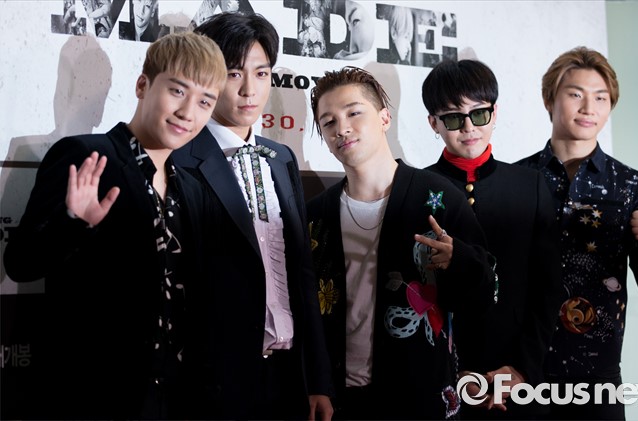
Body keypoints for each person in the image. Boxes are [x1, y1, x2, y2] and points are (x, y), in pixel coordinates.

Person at [3, 32, 227, 419]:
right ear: (142, 85)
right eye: (177, 91)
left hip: (173, 398)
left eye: (205, 101)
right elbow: (21, 263)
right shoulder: (87, 156)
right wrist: (74, 222)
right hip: (93, 394)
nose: (188, 111)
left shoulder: (192, 187)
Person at [307, 66, 496, 420]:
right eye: (328, 122)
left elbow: (486, 292)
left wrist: (457, 260)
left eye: (353, 113)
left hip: (420, 396)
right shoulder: (315, 215)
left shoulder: (439, 197)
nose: (341, 128)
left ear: (384, 118)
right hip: (340, 399)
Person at [171, 12, 334, 420]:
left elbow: (303, 272)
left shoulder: (281, 158)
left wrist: (317, 379)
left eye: (261, 74)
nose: (250, 90)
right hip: (215, 381)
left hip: (287, 376)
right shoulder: (178, 160)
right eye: (234, 74)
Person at [516, 46, 638, 420]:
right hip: (523, 372)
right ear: (549, 100)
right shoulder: (517, 180)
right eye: (575, 94)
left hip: (597, 380)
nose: (589, 107)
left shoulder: (632, 186)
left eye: (601, 98)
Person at [421, 58, 563, 419]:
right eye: (454, 118)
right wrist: (451, 373)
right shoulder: (417, 188)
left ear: (495, 113)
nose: (469, 127)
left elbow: (548, 289)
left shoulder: (530, 186)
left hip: (519, 380)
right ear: (434, 123)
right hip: (444, 379)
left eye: (479, 114)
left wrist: (521, 370)